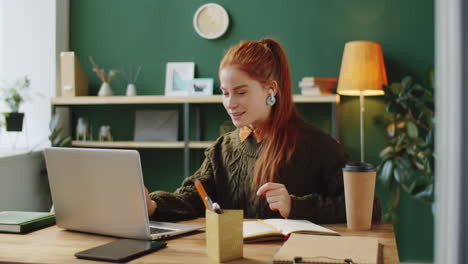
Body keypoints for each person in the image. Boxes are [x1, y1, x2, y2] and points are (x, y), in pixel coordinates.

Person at [145, 38, 381, 223]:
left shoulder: (316, 145)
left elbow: (369, 208)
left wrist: (294, 206)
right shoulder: (222, 148)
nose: (230, 103)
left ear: (270, 90)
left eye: (241, 92)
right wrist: (153, 205)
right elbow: (194, 197)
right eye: (225, 93)